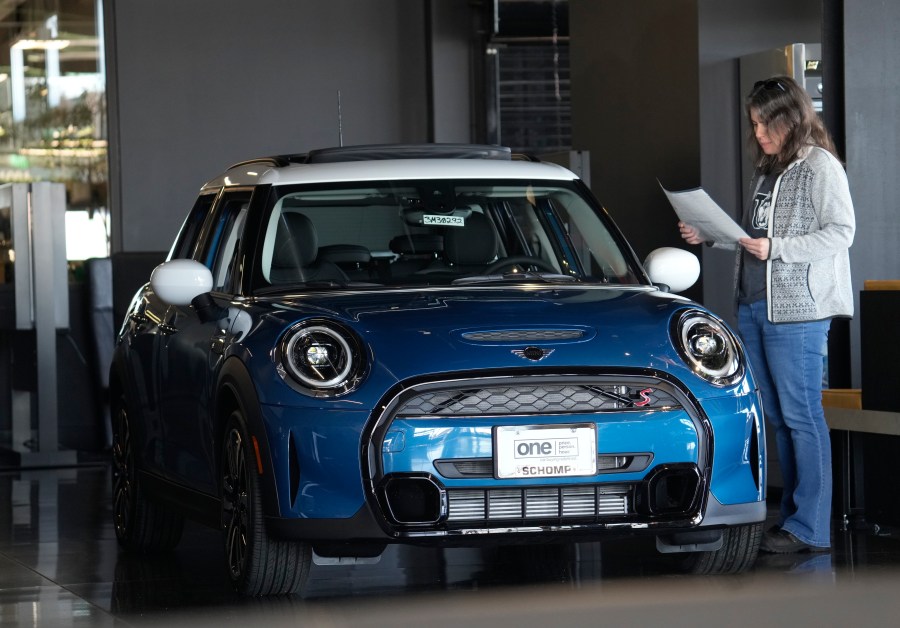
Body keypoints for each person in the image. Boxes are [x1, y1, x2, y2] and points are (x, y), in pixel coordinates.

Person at [678, 75, 855, 553]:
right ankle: (795, 518)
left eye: (763, 123)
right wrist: (708, 236)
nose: (757, 133)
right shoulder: (769, 170)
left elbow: (842, 232)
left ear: (789, 118)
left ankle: (810, 527)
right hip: (754, 306)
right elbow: (752, 238)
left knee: (802, 416)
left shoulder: (820, 167)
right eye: (754, 123)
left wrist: (779, 247)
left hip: (797, 312)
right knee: (777, 416)